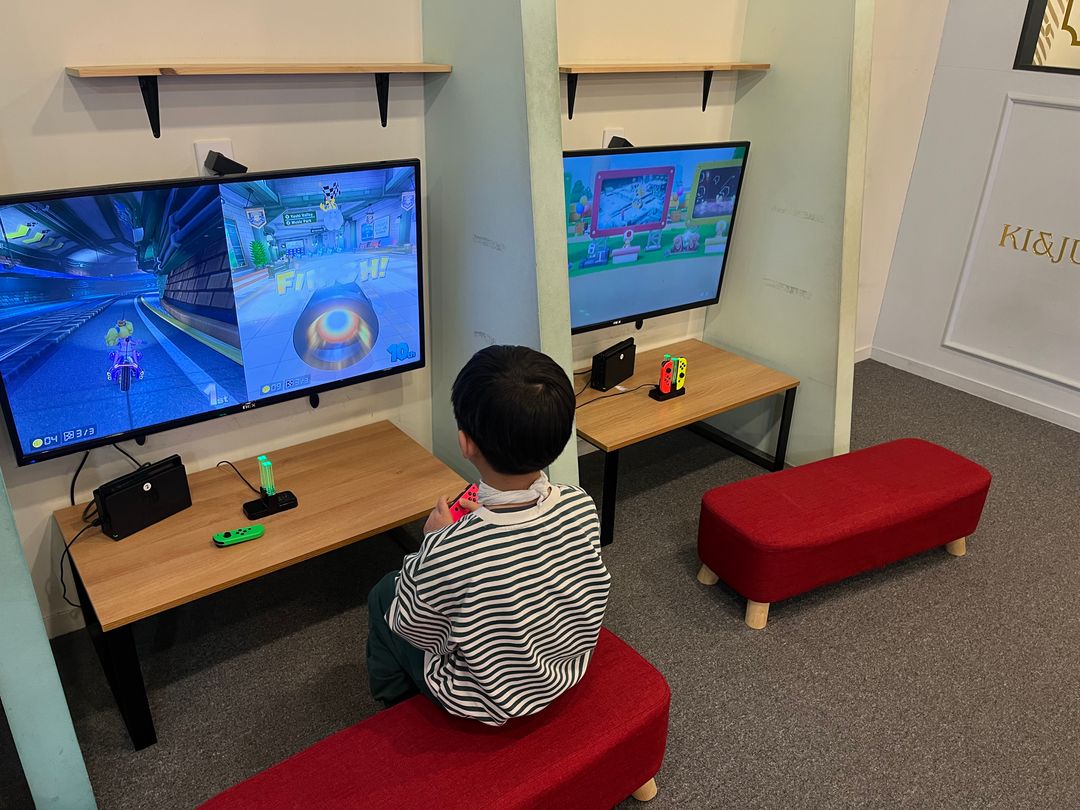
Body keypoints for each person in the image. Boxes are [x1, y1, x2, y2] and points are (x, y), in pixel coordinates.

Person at [366, 345, 609, 726]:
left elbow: (413, 628)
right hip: (565, 669)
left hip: (483, 699)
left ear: (466, 443)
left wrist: (431, 543)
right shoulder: (581, 504)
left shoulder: (449, 550)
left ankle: (398, 706)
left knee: (384, 592)